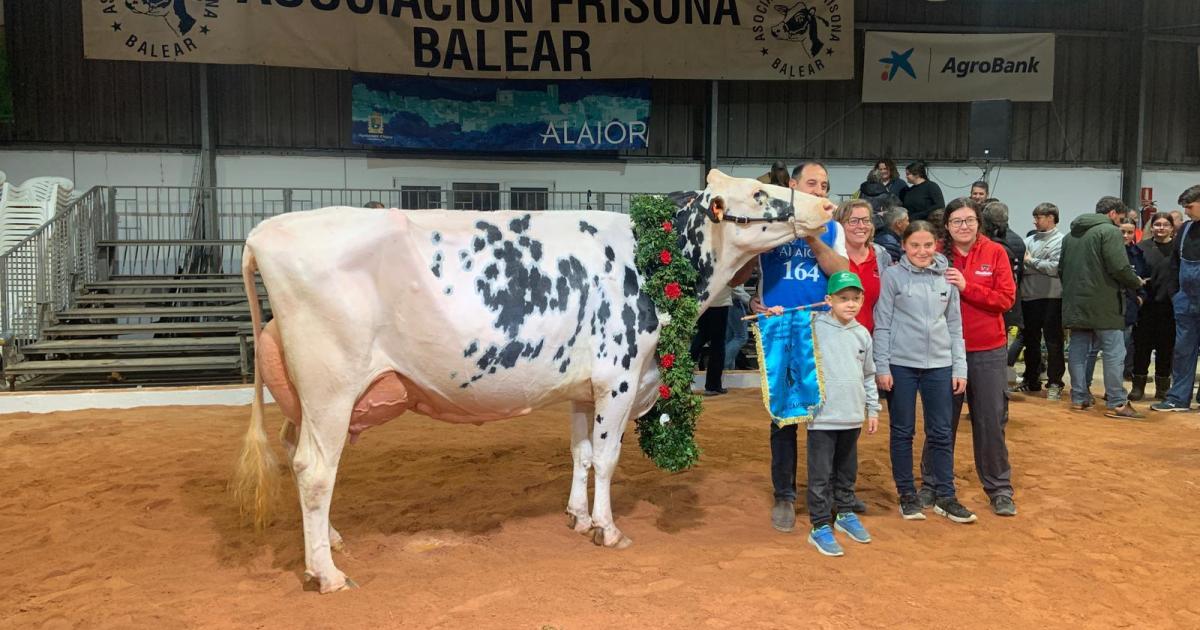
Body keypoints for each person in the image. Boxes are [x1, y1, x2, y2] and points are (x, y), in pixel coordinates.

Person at [729, 160, 850, 531]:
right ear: (794, 186)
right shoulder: (771, 223)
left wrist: (812, 237)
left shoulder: (833, 228)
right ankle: (784, 494)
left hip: (822, 328)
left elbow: (841, 272)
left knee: (824, 414)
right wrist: (752, 299)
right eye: (813, 183)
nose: (820, 190)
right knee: (783, 416)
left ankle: (824, 492)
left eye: (825, 185)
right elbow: (737, 274)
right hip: (778, 326)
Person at [919, 199, 1017, 516]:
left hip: (987, 349)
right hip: (943, 352)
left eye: (970, 220)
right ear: (946, 225)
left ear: (979, 223)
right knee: (941, 422)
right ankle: (931, 485)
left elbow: (1005, 299)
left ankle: (999, 489)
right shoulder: (934, 256)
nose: (965, 226)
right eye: (957, 221)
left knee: (990, 421)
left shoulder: (995, 252)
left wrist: (967, 286)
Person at [873, 221, 973, 524]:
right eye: (914, 245)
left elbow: (955, 326)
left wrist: (960, 367)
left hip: (941, 366)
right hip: (901, 365)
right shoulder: (892, 276)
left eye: (927, 245)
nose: (921, 251)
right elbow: (883, 323)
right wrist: (882, 366)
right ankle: (907, 494)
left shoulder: (947, 278)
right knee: (903, 432)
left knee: (941, 432)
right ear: (903, 246)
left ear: (936, 246)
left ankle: (946, 495)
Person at [804, 271, 880, 557]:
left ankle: (845, 513)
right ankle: (820, 525)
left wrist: (872, 409)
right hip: (822, 417)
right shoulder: (813, 327)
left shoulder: (862, 334)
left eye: (855, 299)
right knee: (821, 474)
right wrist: (772, 312)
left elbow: (869, 375)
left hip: (852, 416)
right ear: (829, 300)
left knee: (847, 470)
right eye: (843, 299)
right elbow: (785, 332)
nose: (850, 304)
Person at [1061, 196, 1145, 419]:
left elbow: (1061, 269)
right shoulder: (1109, 232)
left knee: (1078, 350)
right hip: (1104, 303)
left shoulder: (1070, 236)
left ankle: (1079, 398)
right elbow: (1119, 267)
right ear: (1112, 214)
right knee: (1114, 351)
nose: (1120, 222)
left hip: (1075, 303)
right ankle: (1117, 402)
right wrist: (1135, 282)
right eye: (1120, 217)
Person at [1152, 185, 1200, 412]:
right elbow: (1174, 264)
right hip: (1185, 303)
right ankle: (1178, 399)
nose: (1187, 212)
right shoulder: (1185, 230)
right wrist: (1176, 294)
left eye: (1189, 207)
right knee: (1182, 351)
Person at [1014, 203, 1066, 399]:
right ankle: (1031, 379)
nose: (1035, 221)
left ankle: (1054, 383)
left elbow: (1055, 268)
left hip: (1052, 298)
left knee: (1054, 343)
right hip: (1029, 297)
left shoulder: (1061, 241)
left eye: (1039, 217)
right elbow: (1022, 268)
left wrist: (1031, 261)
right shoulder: (1028, 240)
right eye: (1035, 216)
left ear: (1051, 217)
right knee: (1030, 342)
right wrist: (1037, 264)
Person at [1130, 212, 1176, 400]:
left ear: (1172, 228)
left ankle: (1162, 389)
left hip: (1170, 307)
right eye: (1157, 224)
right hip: (1145, 308)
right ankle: (1137, 387)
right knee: (1141, 348)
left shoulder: (1178, 250)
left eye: (1165, 225)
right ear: (1152, 227)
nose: (1161, 228)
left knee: (1166, 349)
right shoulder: (1140, 248)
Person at [836, 199, 891, 333]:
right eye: (853, 221)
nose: (861, 226)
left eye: (866, 220)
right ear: (840, 225)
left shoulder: (882, 258)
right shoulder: (832, 258)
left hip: (871, 341)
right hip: (835, 340)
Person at [691, 285, 731, 396]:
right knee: (718, 343)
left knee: (701, 337)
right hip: (720, 301)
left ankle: (682, 379)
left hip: (703, 300)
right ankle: (713, 385)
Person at [724, 284, 752, 370]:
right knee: (741, 337)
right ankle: (723, 364)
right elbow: (734, 287)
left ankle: (728, 369)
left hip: (727, 301)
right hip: (733, 301)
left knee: (730, 338)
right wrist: (751, 301)